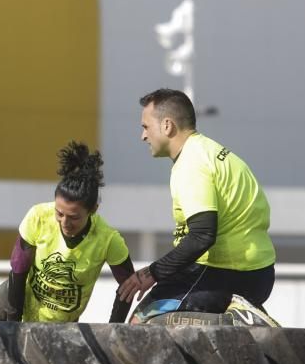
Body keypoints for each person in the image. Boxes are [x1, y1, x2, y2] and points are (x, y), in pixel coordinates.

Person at [116, 88, 277, 324]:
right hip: (258, 272)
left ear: (167, 126)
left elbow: (202, 235)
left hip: (222, 271)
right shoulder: (210, 151)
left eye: (145, 127)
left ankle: (237, 321)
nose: (143, 136)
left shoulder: (191, 164)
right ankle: (235, 319)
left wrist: (152, 273)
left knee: (141, 324)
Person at [0, 141, 135, 323]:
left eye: (73, 217)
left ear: (93, 210)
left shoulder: (108, 239)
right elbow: (18, 271)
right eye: (59, 213)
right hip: (17, 303)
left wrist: (112, 331)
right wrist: (14, 329)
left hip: (62, 323)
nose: (65, 223)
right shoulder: (38, 217)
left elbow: (128, 286)